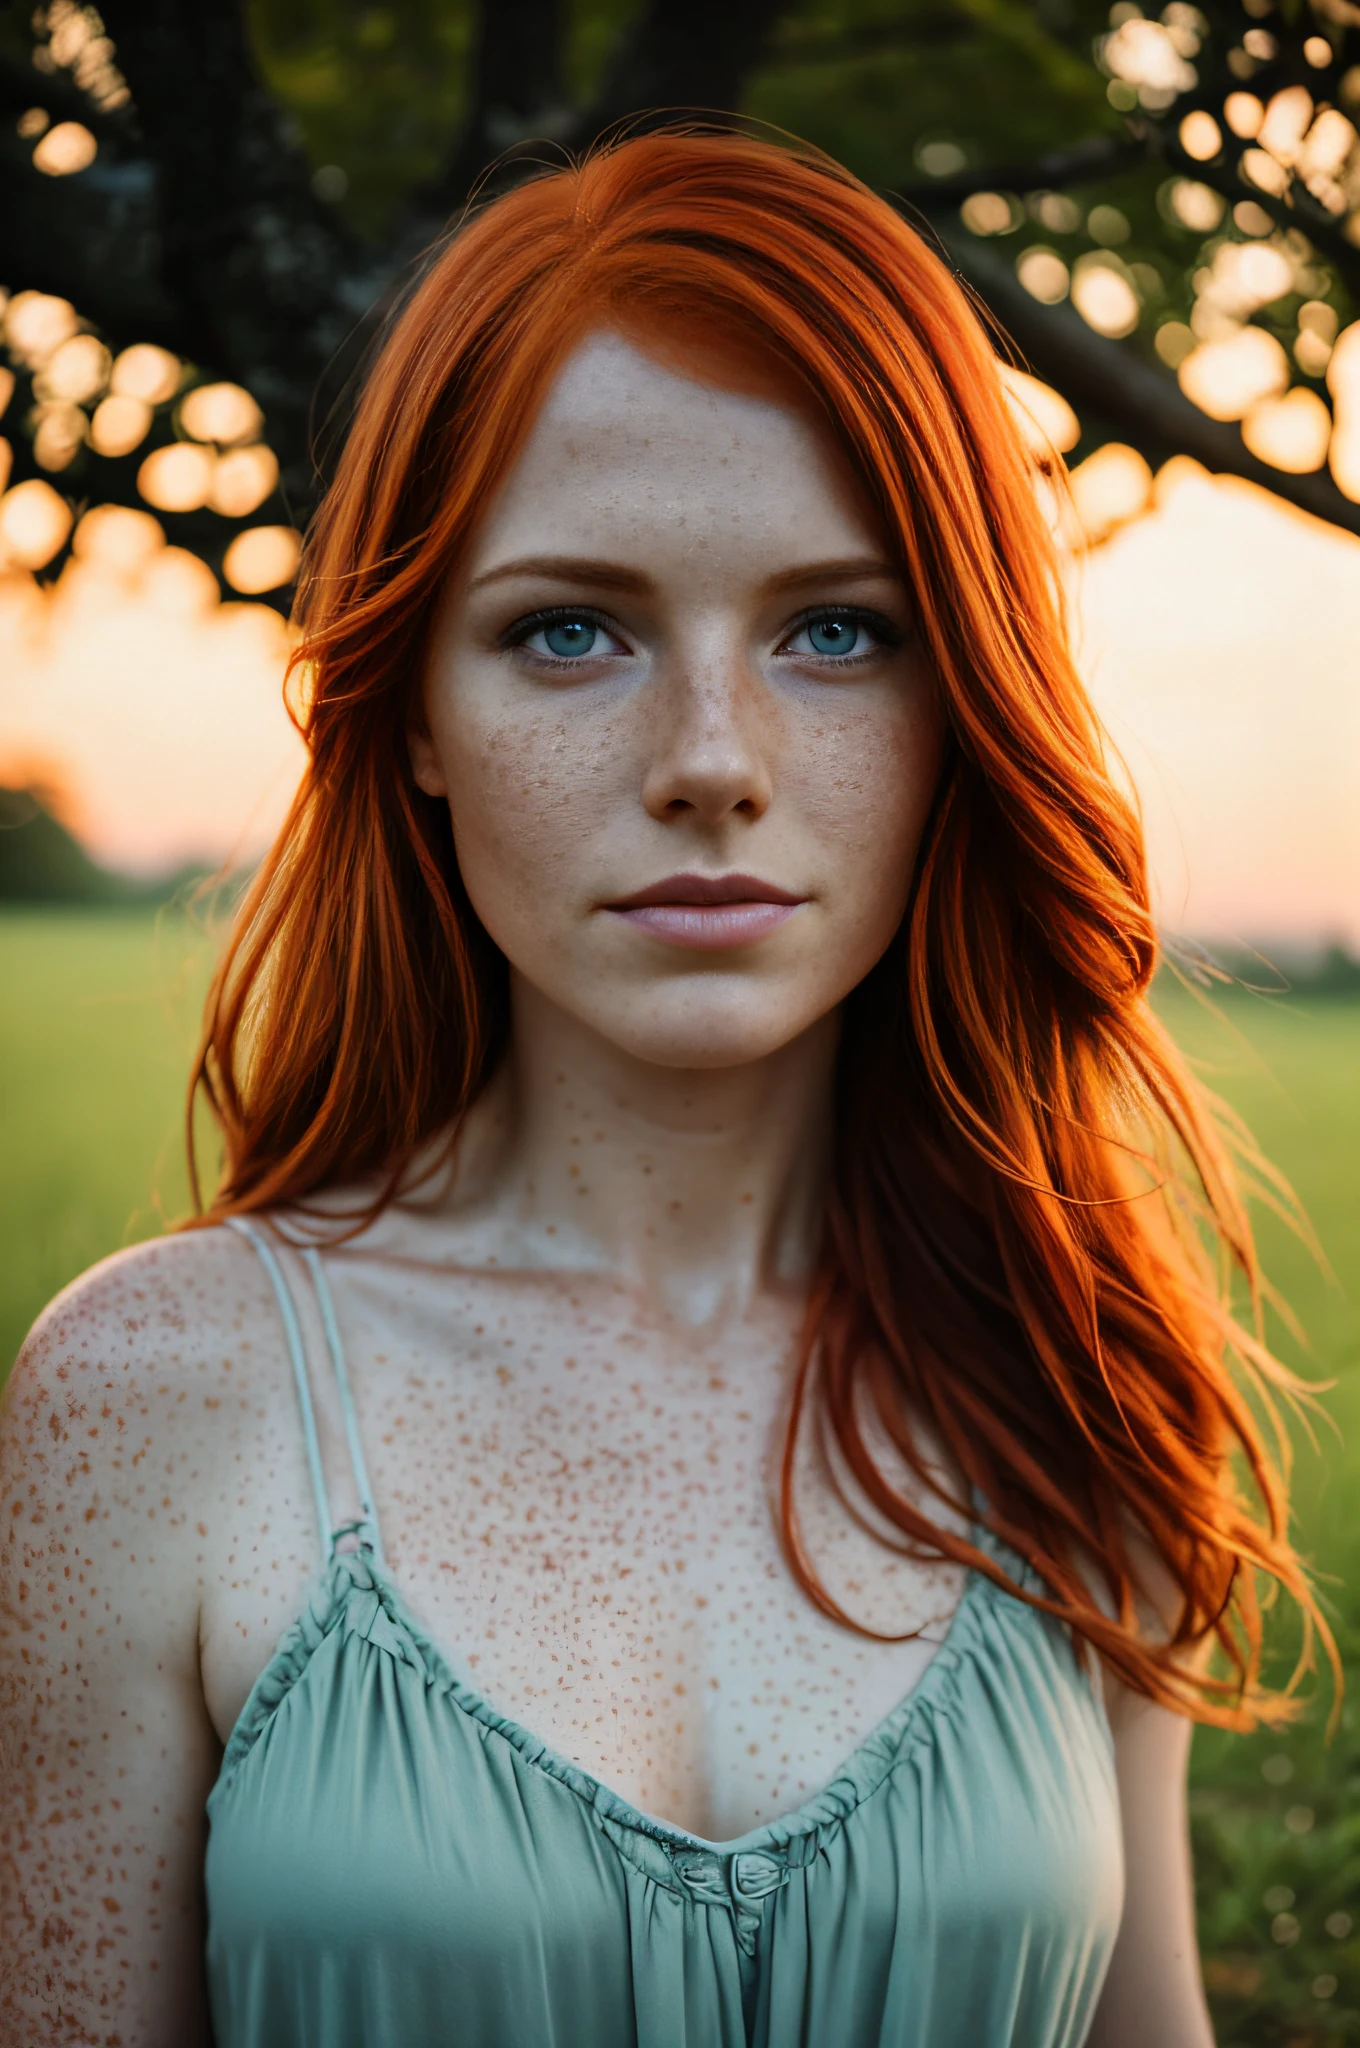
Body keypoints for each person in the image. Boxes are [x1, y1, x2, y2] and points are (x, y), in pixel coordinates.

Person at [0, 129, 1324, 2048]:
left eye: (838, 629)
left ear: (970, 707)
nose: (713, 758)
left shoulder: (1076, 1379)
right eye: (569, 630)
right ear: (417, 714)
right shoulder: (156, 1405)